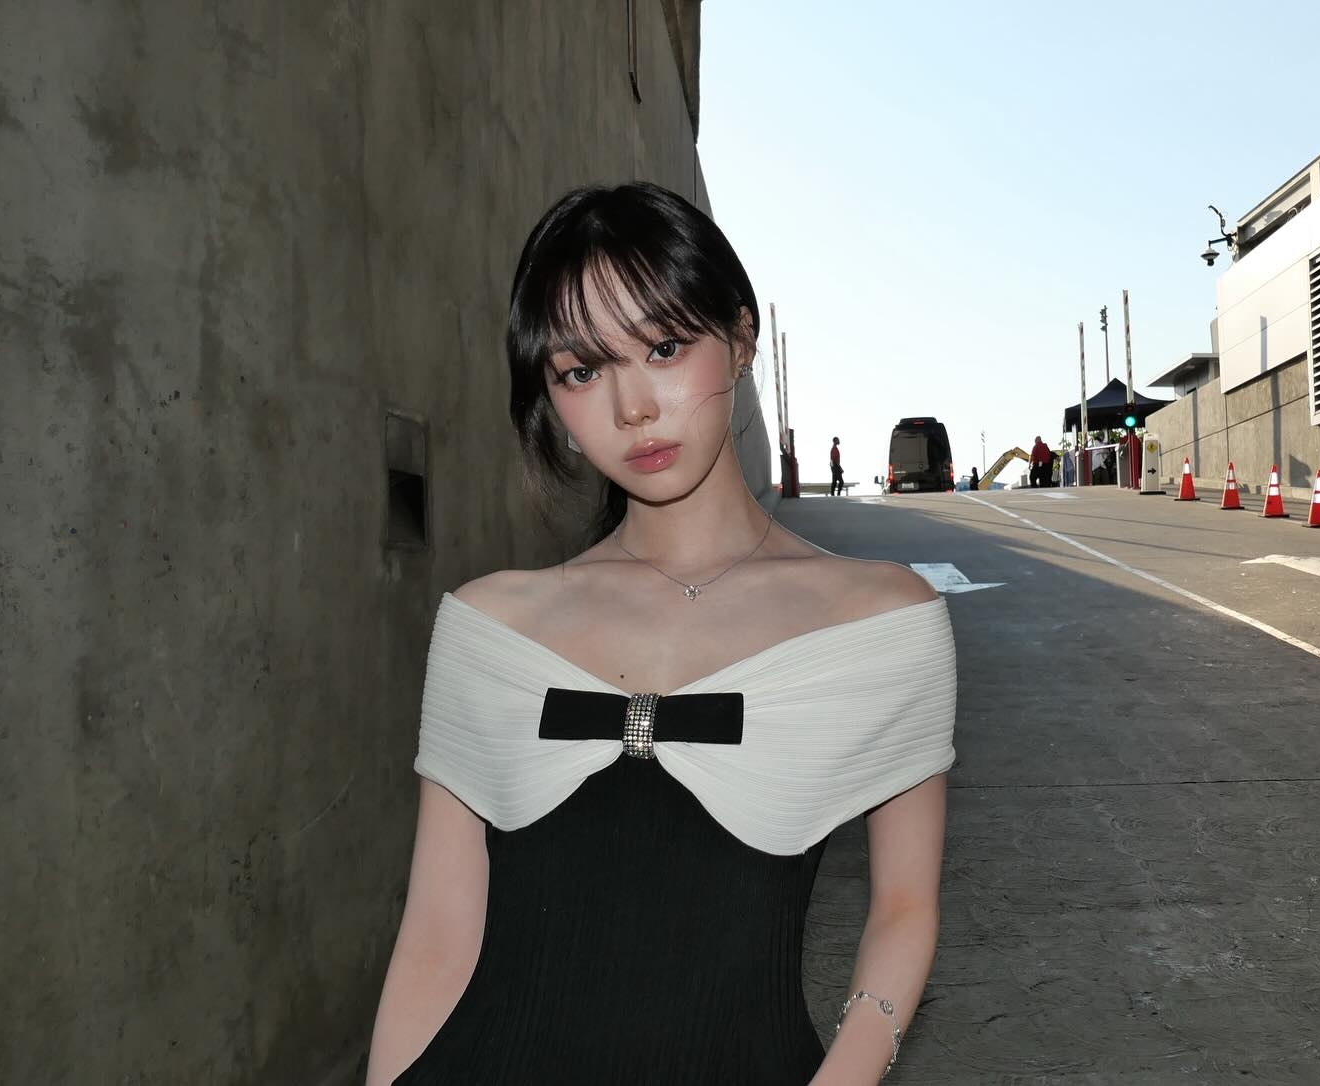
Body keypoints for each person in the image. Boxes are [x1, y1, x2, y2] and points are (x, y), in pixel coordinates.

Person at [364, 182, 956, 1086]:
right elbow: (437, 937)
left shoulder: (880, 621)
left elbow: (904, 909)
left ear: (742, 338)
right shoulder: (490, 627)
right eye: (581, 371)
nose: (632, 407)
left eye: (665, 348)